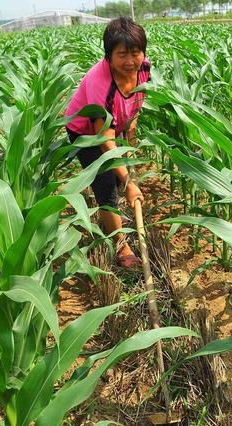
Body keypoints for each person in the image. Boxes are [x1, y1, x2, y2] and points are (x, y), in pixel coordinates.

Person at [65, 17, 151, 268]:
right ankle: (120, 245)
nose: (130, 61)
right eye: (122, 54)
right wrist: (129, 182)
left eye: (135, 53)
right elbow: (104, 141)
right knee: (107, 186)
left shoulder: (143, 67)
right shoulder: (100, 86)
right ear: (108, 56)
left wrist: (131, 128)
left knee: (118, 175)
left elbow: (138, 95)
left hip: (118, 123)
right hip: (87, 134)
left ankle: (118, 188)